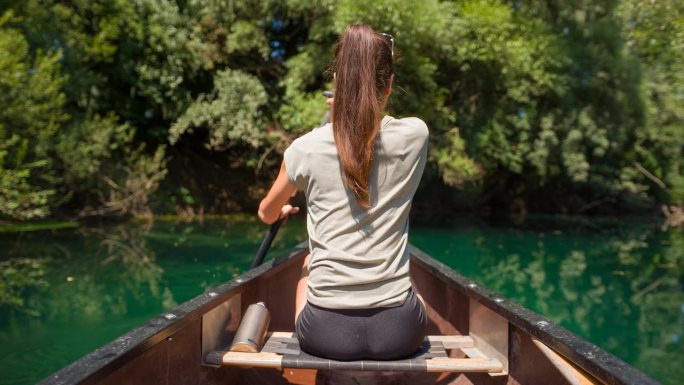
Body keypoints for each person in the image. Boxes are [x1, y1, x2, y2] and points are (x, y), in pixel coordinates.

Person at [257, 24, 429, 361]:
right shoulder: (416, 136)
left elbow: (266, 211)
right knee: (414, 286)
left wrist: (278, 212)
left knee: (307, 266)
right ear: (390, 84)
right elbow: (366, 137)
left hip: (325, 334)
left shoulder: (304, 149)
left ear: (337, 82)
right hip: (400, 334)